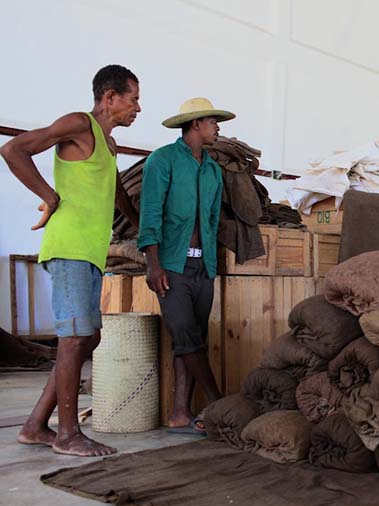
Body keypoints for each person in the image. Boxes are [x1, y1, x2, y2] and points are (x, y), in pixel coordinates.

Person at [1, 65, 141, 456]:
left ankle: (34, 426)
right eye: (133, 99)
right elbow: (13, 149)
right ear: (110, 97)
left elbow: (118, 197)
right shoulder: (79, 124)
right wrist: (52, 195)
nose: (138, 108)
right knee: (75, 338)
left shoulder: (109, 146)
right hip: (69, 248)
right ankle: (67, 434)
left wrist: (143, 232)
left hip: (91, 254)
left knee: (86, 339)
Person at [137, 97, 234, 432]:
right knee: (187, 338)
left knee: (193, 340)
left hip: (202, 268)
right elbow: (149, 213)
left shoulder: (213, 170)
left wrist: (213, 266)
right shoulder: (162, 161)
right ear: (196, 124)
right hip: (171, 266)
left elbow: (210, 220)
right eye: (213, 122)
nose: (218, 128)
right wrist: (153, 264)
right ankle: (219, 404)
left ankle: (180, 413)